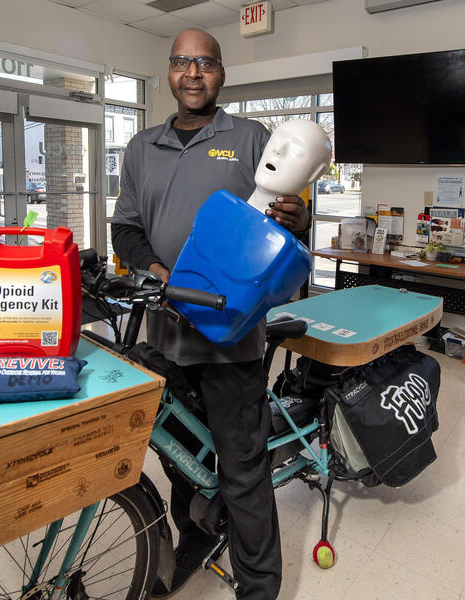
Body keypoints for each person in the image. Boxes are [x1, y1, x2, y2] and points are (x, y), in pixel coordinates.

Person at [111, 28, 310, 600]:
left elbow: (288, 227)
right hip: (165, 334)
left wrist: (297, 218)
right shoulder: (140, 147)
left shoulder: (250, 138)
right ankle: (195, 535)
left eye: (204, 63)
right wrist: (158, 272)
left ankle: (259, 589)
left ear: (221, 73)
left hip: (232, 339)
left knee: (242, 470)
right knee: (179, 458)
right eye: (181, 62)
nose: (192, 73)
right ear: (168, 73)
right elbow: (126, 228)